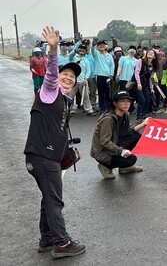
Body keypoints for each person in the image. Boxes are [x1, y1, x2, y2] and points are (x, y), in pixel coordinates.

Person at [23, 26, 86, 259]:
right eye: (65, 74)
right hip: (42, 156)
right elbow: (49, 75)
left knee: (48, 197)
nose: (69, 78)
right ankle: (61, 244)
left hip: (45, 158)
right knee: (54, 200)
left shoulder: (65, 100)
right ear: (57, 77)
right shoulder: (49, 92)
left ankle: (47, 238)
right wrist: (53, 48)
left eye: (73, 76)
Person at [90, 90, 147, 179]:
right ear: (115, 103)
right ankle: (105, 166)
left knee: (137, 136)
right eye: (122, 101)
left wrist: (143, 124)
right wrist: (121, 151)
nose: (126, 104)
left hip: (115, 144)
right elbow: (105, 141)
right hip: (103, 152)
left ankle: (124, 168)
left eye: (128, 101)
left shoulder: (126, 114)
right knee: (131, 159)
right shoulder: (108, 119)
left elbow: (128, 132)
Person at [91, 38, 115, 112]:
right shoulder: (96, 54)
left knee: (108, 92)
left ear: (106, 46)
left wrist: (111, 75)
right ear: (98, 47)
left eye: (103, 45)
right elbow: (92, 51)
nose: (102, 46)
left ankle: (109, 107)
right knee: (101, 93)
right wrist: (93, 45)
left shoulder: (109, 56)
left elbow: (112, 65)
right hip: (100, 76)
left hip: (108, 76)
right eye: (100, 45)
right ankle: (102, 108)